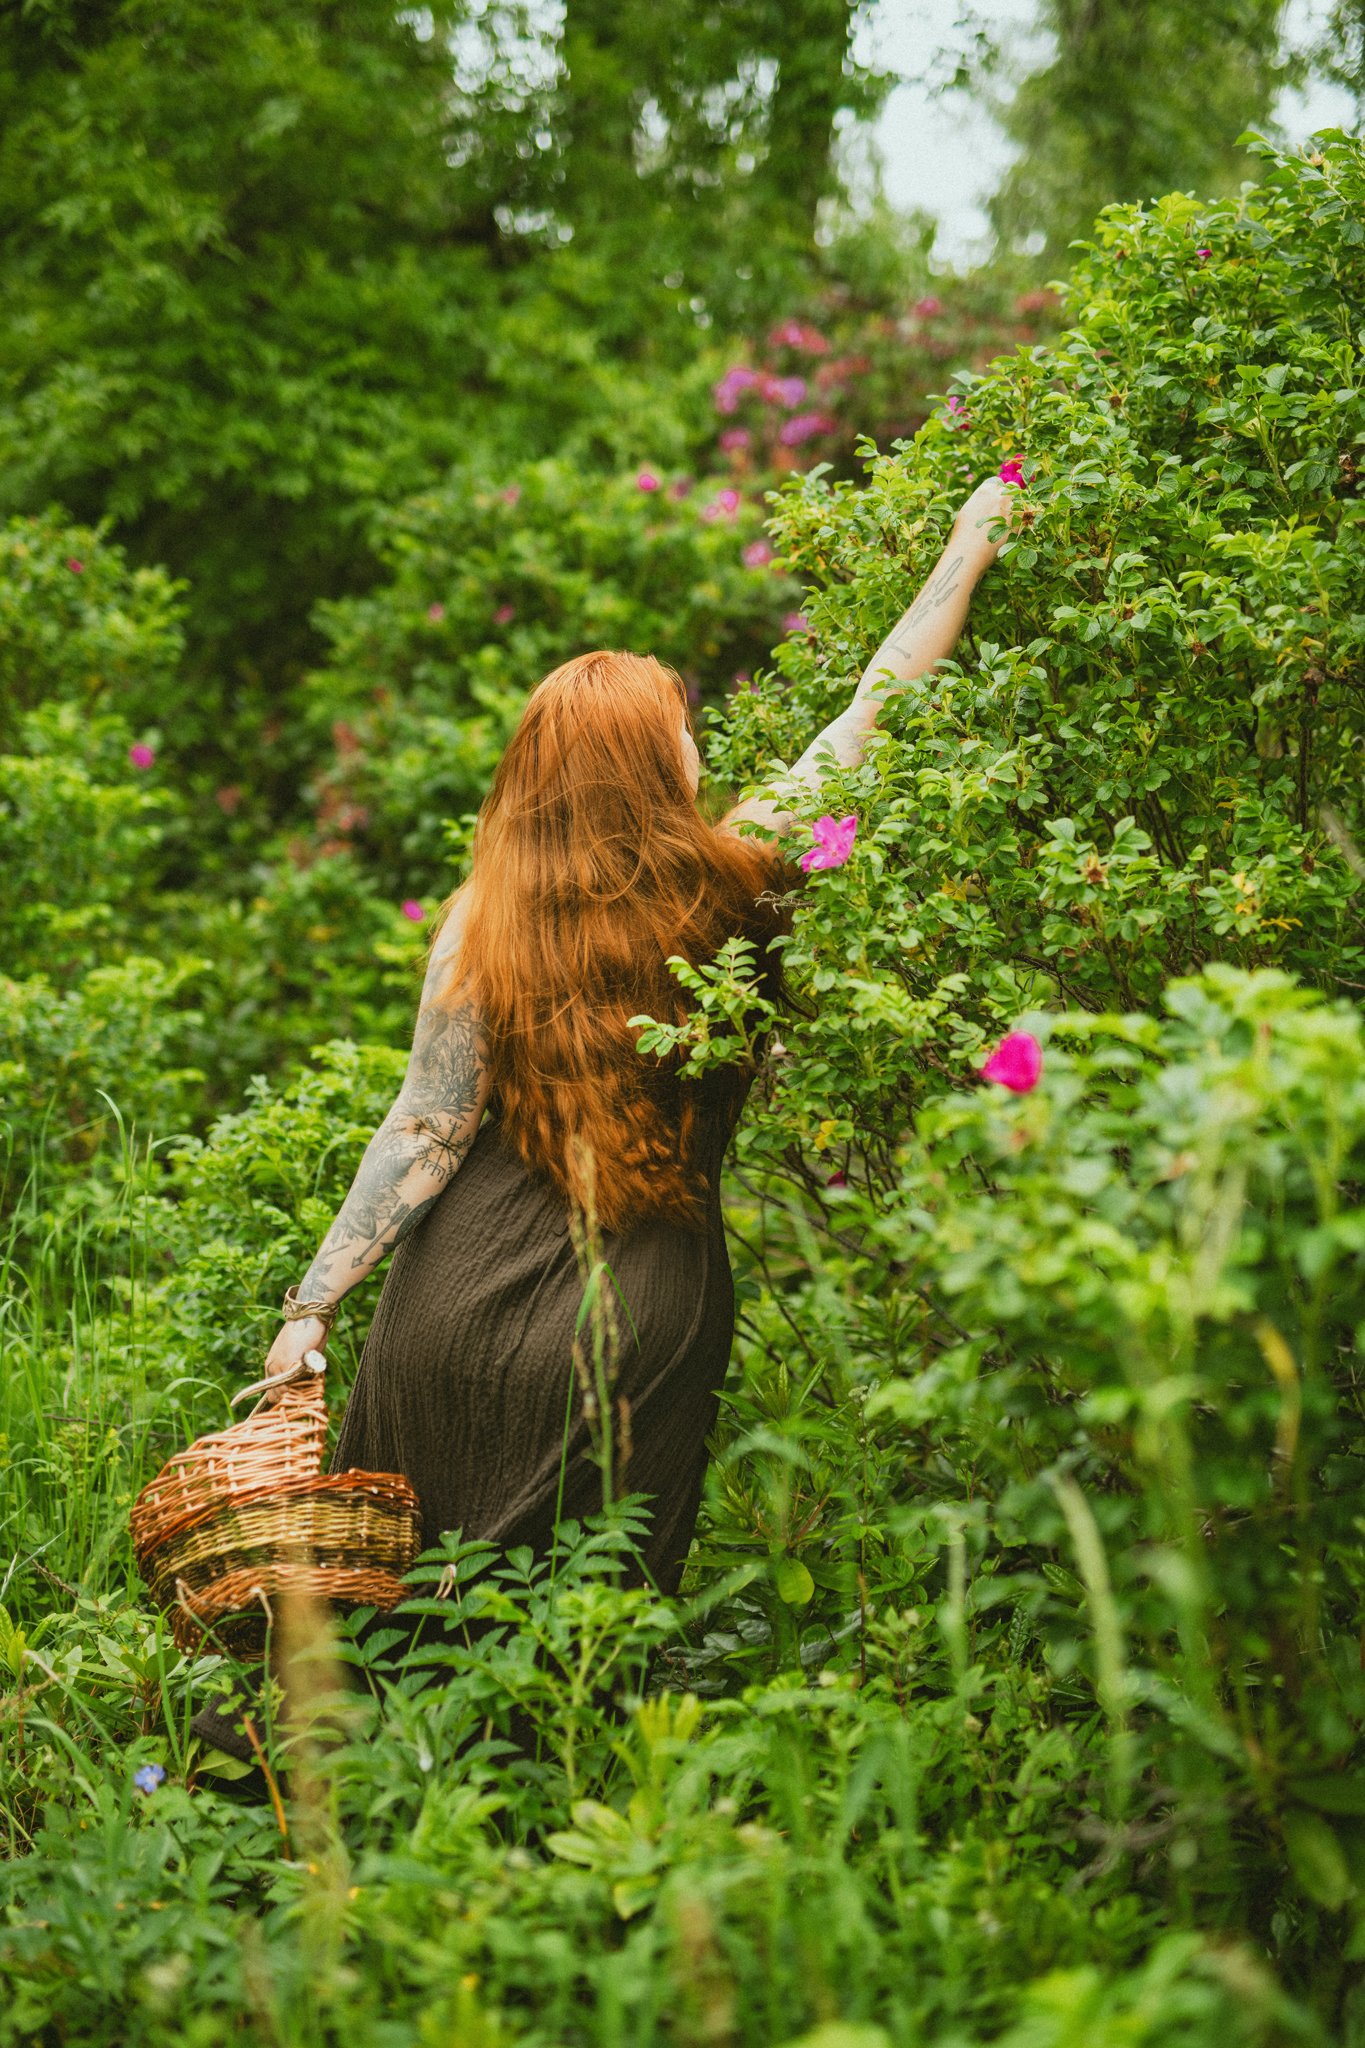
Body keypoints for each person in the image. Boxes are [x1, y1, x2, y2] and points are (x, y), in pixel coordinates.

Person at [189, 473, 1016, 1769]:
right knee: (581, 1632)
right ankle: (544, 1836)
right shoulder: (738, 874)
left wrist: (311, 1310)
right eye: (678, 729)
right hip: (635, 1307)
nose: (695, 746)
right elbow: (881, 695)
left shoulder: (485, 921)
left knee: (385, 1625)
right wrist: (968, 543)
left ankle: (312, 1829)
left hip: (444, 1311)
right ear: (648, 762)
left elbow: (422, 1129)